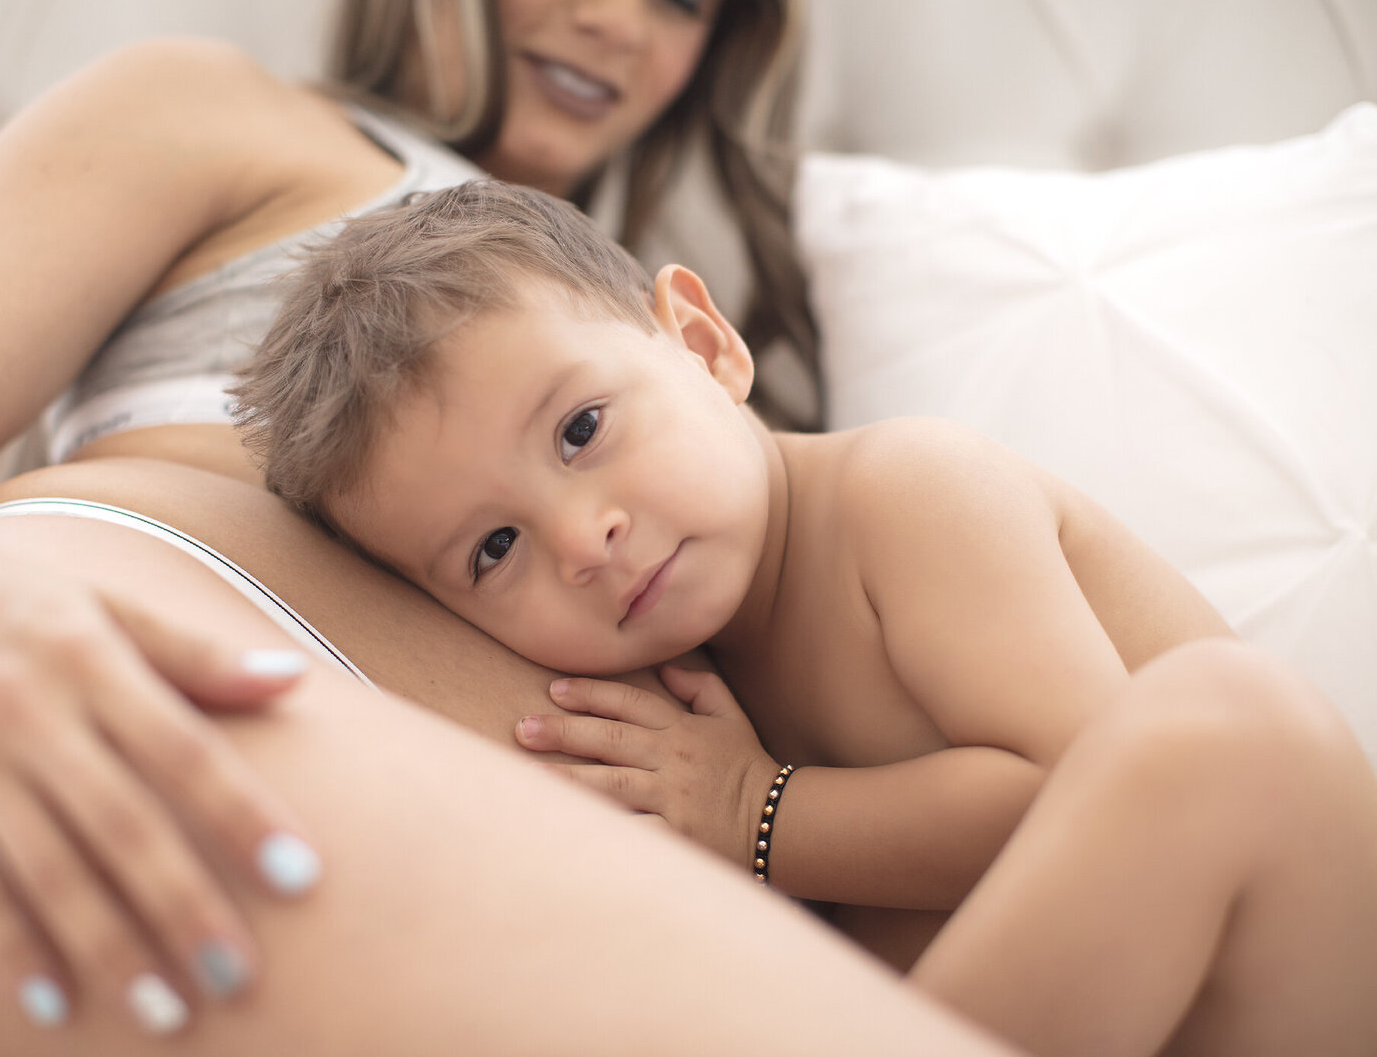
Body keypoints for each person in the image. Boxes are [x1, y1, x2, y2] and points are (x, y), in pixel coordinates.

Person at [0, 0, 821, 1038]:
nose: (613, 19)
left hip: (591, 919)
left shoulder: (693, 378)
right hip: (98, 728)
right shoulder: (222, 113)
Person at [232, 179, 1377, 1057]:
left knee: (1227, 720)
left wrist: (754, 809)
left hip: (1288, 980)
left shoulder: (911, 496)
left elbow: (1073, 791)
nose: (584, 542)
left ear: (702, 343)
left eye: (581, 429)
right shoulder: (670, 703)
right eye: (494, 549)